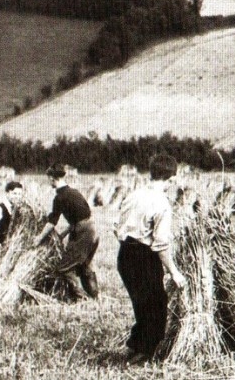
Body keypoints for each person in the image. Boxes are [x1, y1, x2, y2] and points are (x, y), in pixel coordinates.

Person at [114, 154, 188, 364]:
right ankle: (144, 354)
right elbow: (161, 245)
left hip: (125, 255)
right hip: (144, 257)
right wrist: (175, 273)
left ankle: (135, 347)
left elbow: (116, 227)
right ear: (171, 179)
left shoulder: (133, 195)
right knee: (156, 305)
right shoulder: (162, 203)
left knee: (141, 304)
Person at [35, 163, 99, 300]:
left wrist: (38, 239)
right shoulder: (74, 192)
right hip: (93, 230)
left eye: (48, 179)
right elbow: (80, 217)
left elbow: (52, 222)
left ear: (52, 178)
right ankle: (95, 297)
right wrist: (62, 235)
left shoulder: (59, 197)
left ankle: (82, 298)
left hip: (83, 232)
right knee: (85, 265)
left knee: (64, 268)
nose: (49, 182)